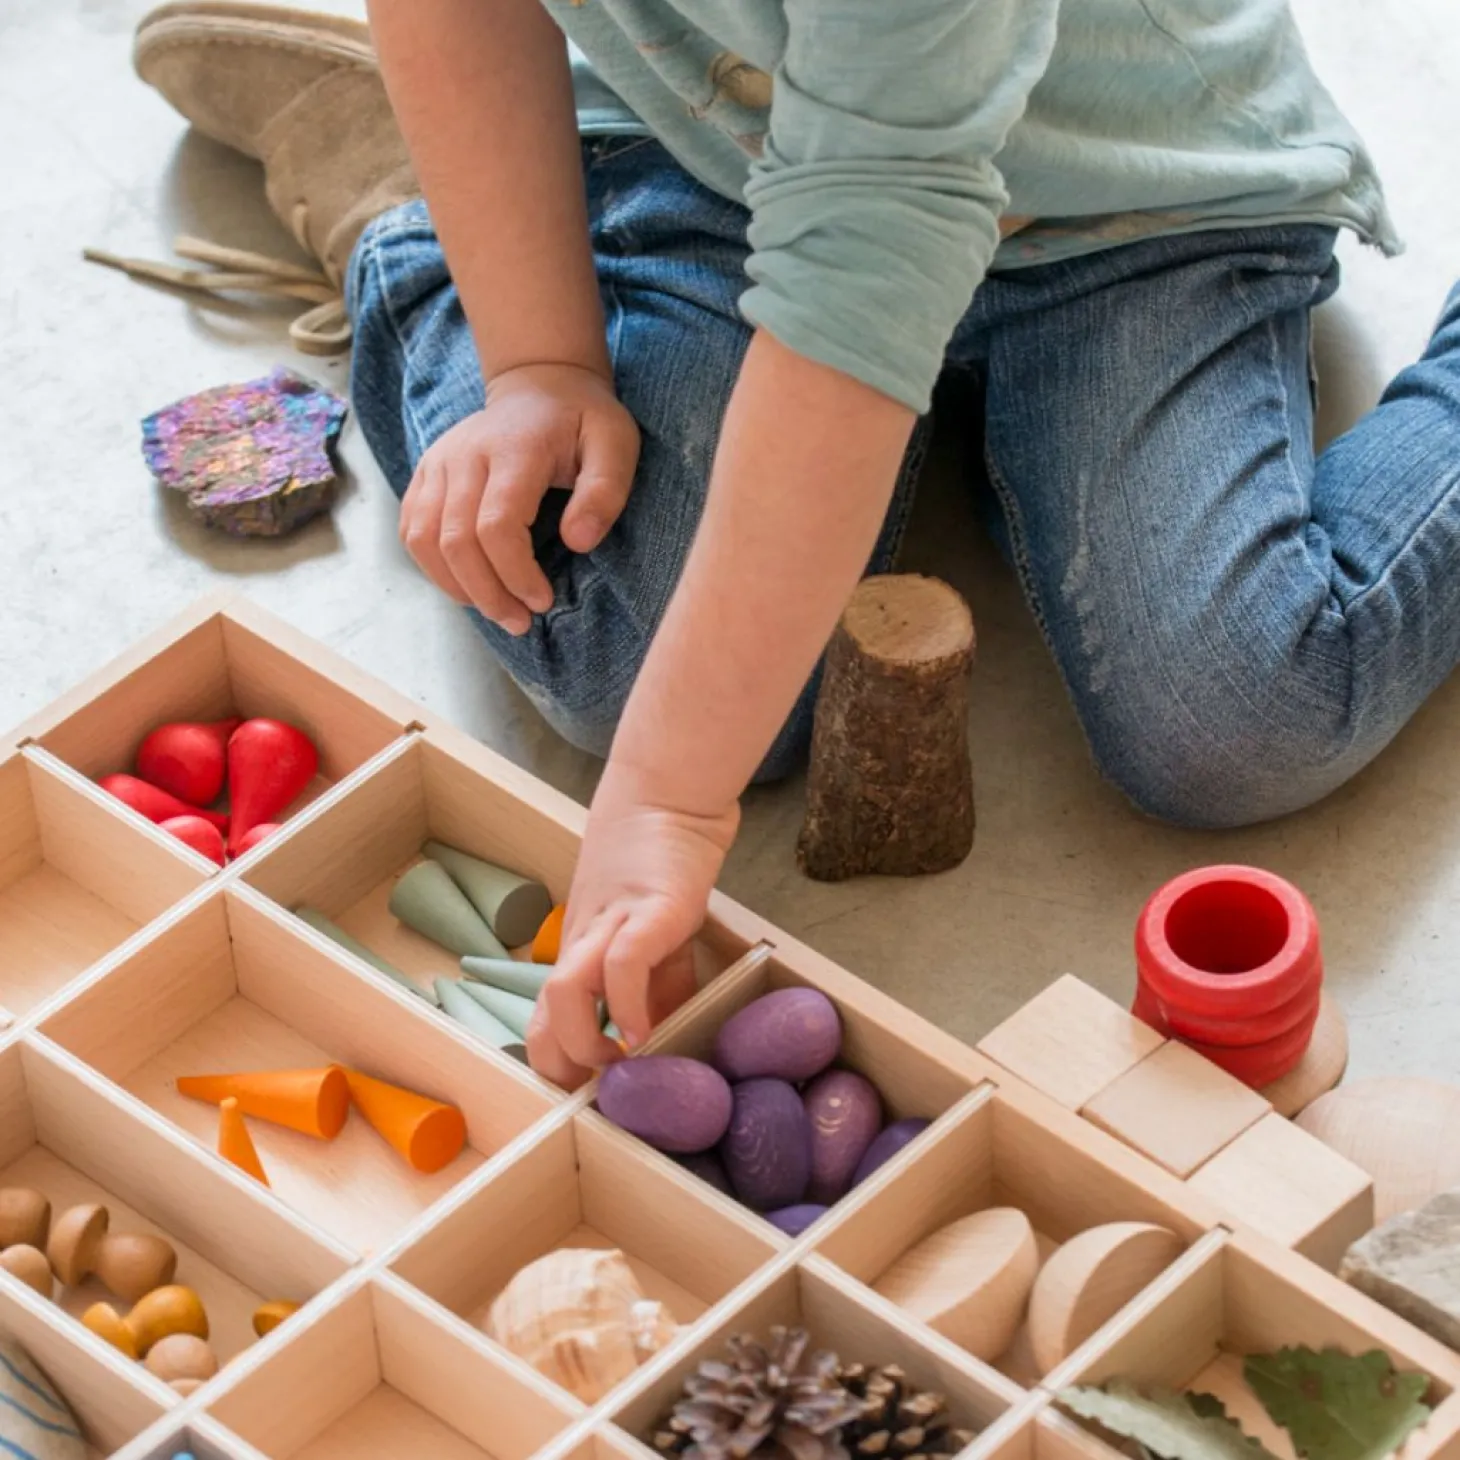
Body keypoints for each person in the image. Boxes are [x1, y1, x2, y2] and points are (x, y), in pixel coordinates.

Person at [127, 0, 1460, 1088]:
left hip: (1139, 201)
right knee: (610, 658)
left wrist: (665, 800)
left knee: (1242, 713)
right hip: (722, 155)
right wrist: (535, 358)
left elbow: (860, 283)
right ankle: (400, 182)